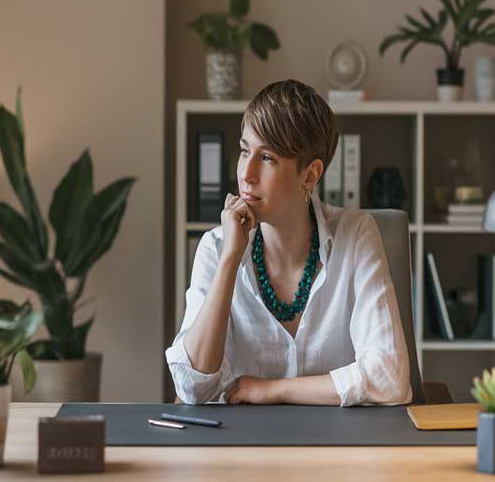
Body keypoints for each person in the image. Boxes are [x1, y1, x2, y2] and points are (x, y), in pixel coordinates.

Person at [166, 79, 411, 406]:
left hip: (338, 449)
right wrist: (230, 259)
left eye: (266, 157)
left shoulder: (356, 235)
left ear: (309, 176)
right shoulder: (216, 247)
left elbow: (389, 378)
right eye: (244, 151)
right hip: (240, 450)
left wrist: (272, 389)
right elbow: (192, 387)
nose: (246, 174)